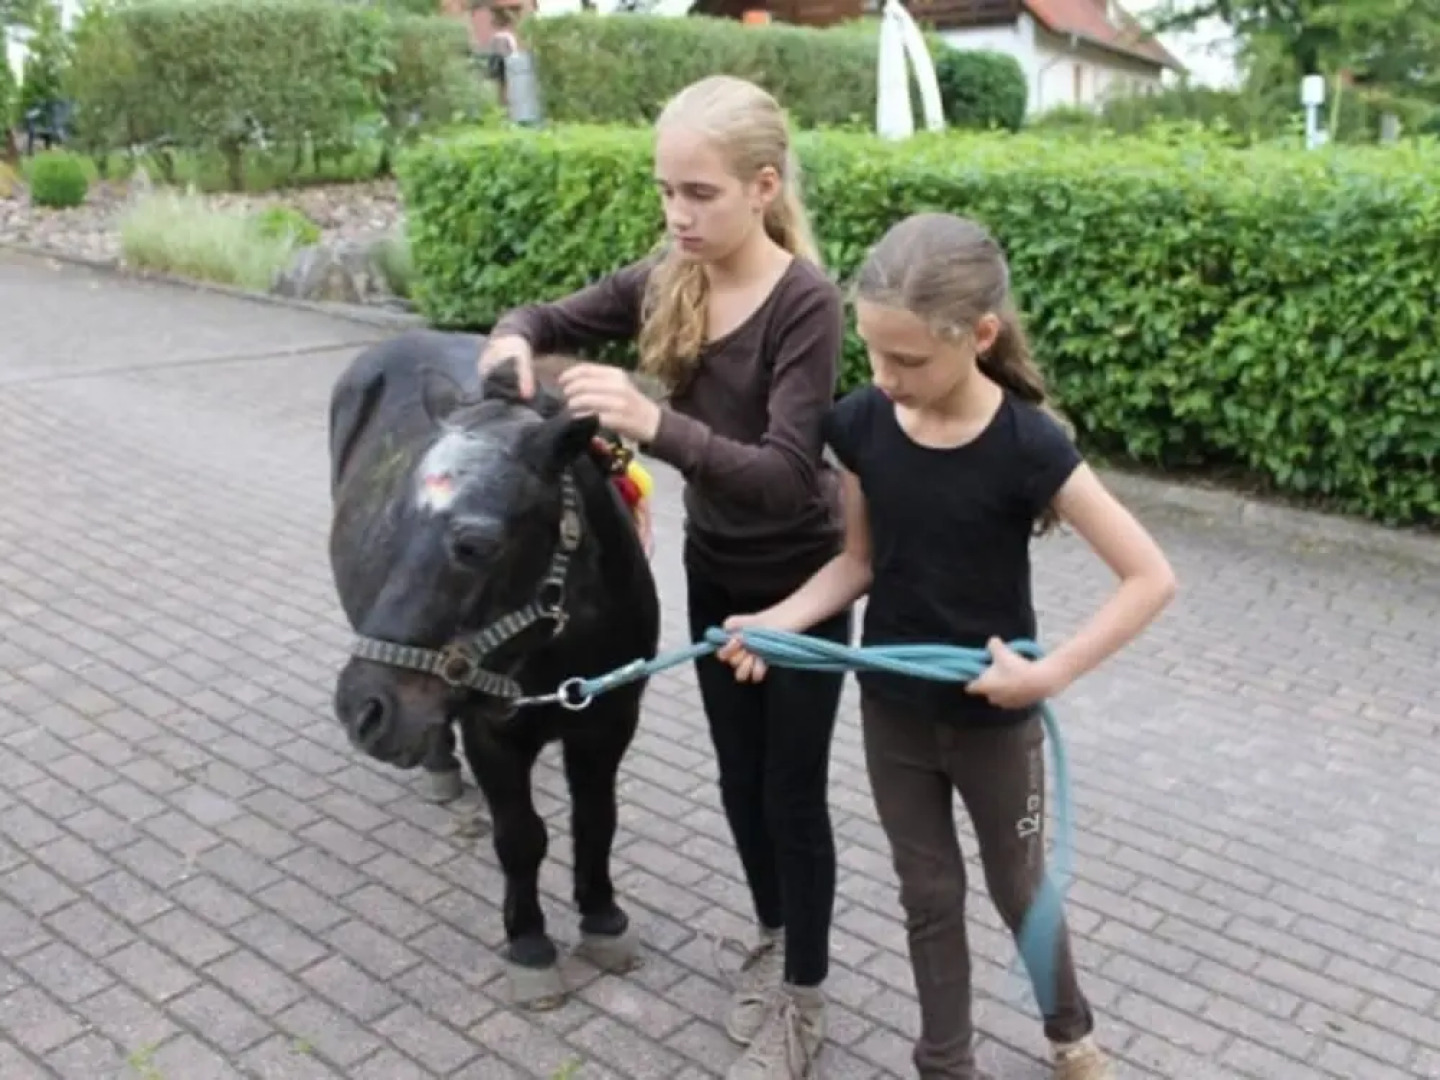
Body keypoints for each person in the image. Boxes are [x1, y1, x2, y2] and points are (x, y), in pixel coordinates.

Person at [716, 212, 1179, 1080]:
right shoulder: (861, 426)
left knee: (1021, 887)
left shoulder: (1029, 445)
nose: (885, 379)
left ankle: (1069, 1030)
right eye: (874, 355)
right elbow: (857, 562)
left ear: (981, 335)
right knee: (927, 897)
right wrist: (775, 624)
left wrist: (1049, 673)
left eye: (910, 361)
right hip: (894, 718)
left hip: (998, 726)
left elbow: (1150, 576)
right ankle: (945, 1064)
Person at [477, 74, 852, 1080]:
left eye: (701, 193)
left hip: (802, 582)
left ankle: (802, 1002)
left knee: (792, 790)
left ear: (763, 187)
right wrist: (516, 339)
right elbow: (543, 313)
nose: (678, 215)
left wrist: (654, 424)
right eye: (666, 192)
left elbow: (782, 476)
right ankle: (775, 935)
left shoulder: (805, 303)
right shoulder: (668, 272)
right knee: (736, 780)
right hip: (714, 568)